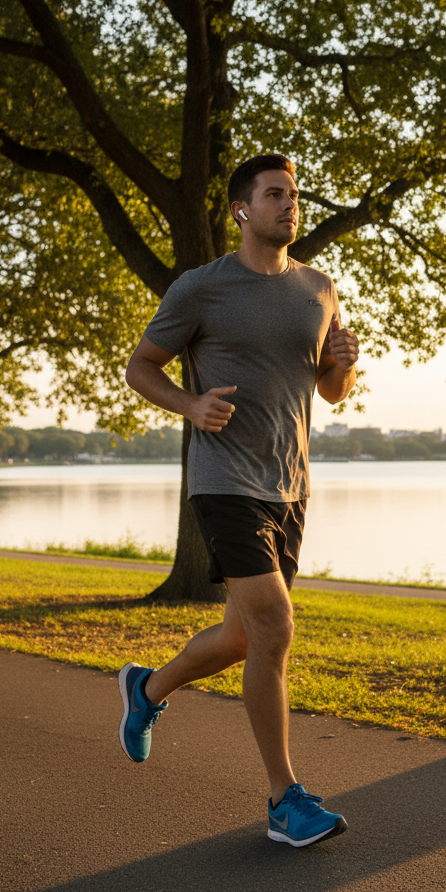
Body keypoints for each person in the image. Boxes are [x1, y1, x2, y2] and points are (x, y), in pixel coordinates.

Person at [120, 153, 360, 848]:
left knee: (241, 636)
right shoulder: (201, 288)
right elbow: (141, 367)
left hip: (290, 486)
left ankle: (147, 690)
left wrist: (344, 363)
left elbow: (329, 391)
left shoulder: (319, 288)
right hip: (224, 482)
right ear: (241, 210)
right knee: (277, 628)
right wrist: (191, 405)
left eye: (295, 195)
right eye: (275, 195)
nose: (290, 205)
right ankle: (286, 801)